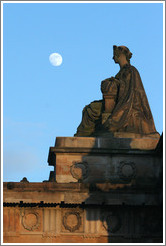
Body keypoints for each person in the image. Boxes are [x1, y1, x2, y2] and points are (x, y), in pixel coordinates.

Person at [74, 45, 158, 137]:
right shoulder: (122, 71)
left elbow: (129, 90)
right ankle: (85, 135)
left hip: (125, 103)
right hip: (117, 101)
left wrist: (114, 83)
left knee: (90, 110)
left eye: (114, 55)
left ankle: (87, 136)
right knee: (88, 109)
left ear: (119, 55)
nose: (113, 57)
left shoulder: (130, 70)